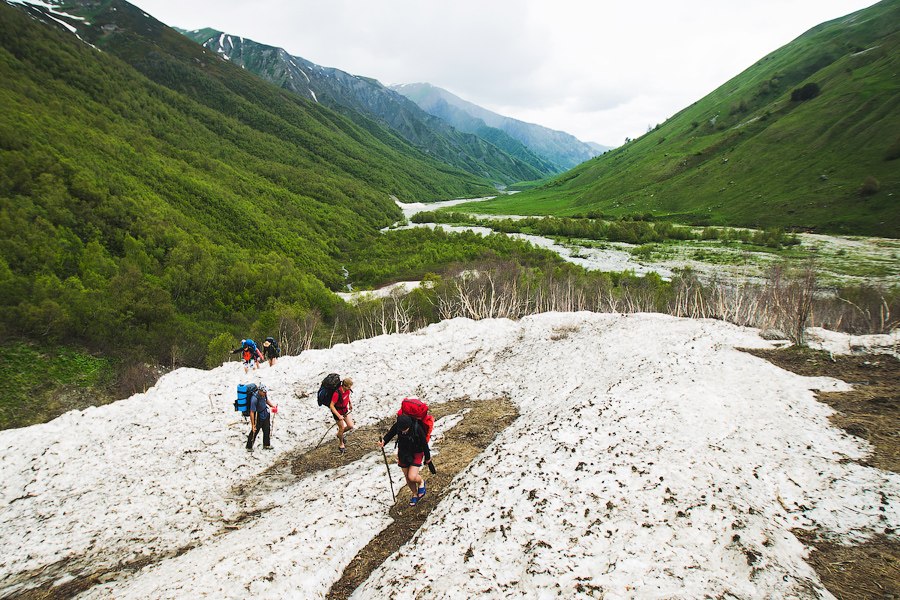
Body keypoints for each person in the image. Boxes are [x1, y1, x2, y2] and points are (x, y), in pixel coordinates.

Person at [379, 413, 432, 506]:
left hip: (417, 452)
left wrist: (427, 458)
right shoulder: (399, 425)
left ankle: (421, 482)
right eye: (401, 429)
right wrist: (384, 441)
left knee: (412, 476)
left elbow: (424, 443)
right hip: (403, 452)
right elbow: (391, 433)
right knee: (407, 476)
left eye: (405, 429)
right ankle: (414, 494)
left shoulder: (417, 428)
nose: (403, 431)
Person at [246, 384, 276, 452]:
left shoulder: (264, 394)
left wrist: (272, 406)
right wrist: (253, 425)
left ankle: (266, 444)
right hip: (258, 416)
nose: (265, 393)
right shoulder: (254, 399)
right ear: (259, 391)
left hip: (265, 413)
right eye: (264, 392)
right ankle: (249, 446)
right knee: (255, 431)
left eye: (265, 392)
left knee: (267, 429)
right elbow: (252, 412)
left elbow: (266, 400)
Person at [329, 377, 354, 453]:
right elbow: (331, 406)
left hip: (345, 410)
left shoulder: (347, 390)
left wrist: (350, 403)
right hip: (337, 412)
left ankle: (339, 434)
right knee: (341, 428)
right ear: (344, 386)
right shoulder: (337, 393)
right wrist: (339, 416)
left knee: (350, 426)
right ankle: (341, 444)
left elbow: (347, 396)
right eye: (348, 387)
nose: (350, 389)